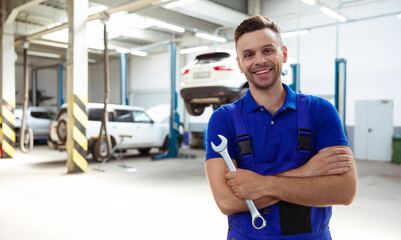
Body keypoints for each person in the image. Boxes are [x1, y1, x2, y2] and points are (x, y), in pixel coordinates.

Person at [205, 15, 356, 240]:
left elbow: (344, 191)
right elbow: (227, 201)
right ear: (239, 64)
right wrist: (308, 172)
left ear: (283, 54)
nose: (259, 61)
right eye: (249, 54)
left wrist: (260, 185)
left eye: (267, 50)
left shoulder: (321, 110)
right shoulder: (223, 119)